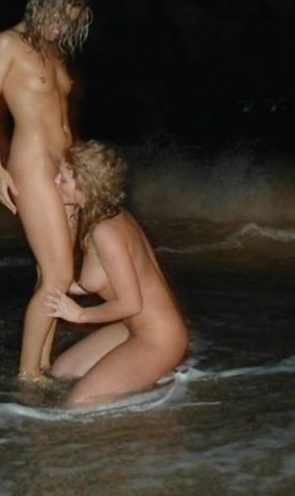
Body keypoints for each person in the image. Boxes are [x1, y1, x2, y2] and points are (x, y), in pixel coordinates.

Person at [0, 0, 93, 382]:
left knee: (52, 272)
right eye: (59, 18)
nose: (61, 30)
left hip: (67, 167)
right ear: (42, 2)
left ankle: (42, 362)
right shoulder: (6, 44)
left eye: (69, 24)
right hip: (32, 164)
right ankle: (28, 375)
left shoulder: (55, 53)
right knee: (60, 274)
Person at [45, 141, 189, 408]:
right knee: (61, 372)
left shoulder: (105, 232)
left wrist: (79, 314)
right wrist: (67, 284)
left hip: (159, 338)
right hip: (131, 328)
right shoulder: (107, 216)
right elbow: (107, 277)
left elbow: (130, 304)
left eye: (62, 178)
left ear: (85, 187)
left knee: (79, 404)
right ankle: (139, 380)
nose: (54, 181)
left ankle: (149, 410)